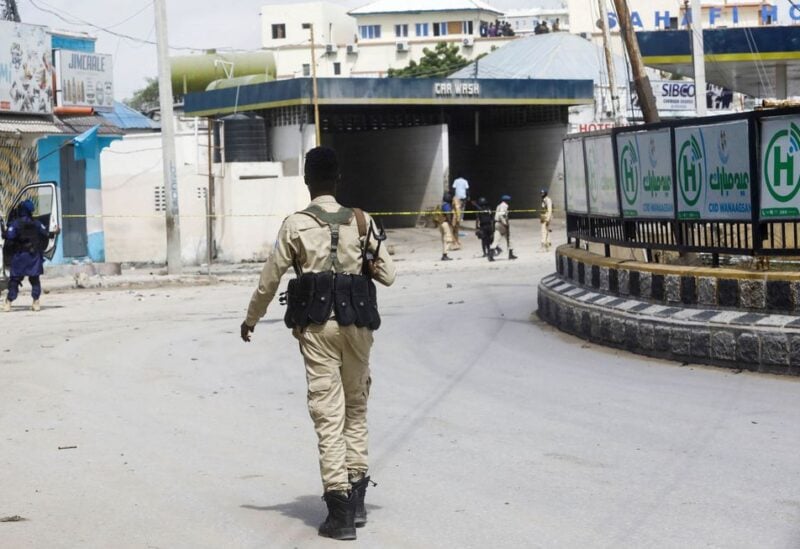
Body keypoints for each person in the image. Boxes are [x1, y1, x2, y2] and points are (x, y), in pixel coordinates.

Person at [240, 147, 396, 541]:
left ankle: (339, 510)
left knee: (329, 415)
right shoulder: (363, 221)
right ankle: (357, 498)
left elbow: (270, 278)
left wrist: (251, 318)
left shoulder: (295, 225)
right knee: (356, 409)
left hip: (317, 330)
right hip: (359, 327)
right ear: (338, 178)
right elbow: (389, 275)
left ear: (308, 181)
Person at [2, 200, 54, 312]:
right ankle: (36, 302)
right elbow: (47, 233)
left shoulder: (16, 223)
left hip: (20, 256)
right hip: (34, 256)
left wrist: (4, 232)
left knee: (14, 280)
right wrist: (54, 232)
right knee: (35, 280)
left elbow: (9, 236)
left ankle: (9, 302)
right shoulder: (37, 223)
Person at [491, 195, 517, 260]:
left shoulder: (499, 205)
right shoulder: (504, 206)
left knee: (496, 240)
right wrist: (505, 224)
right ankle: (510, 254)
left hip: (497, 223)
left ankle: (490, 255)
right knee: (509, 239)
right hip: (501, 224)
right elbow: (501, 215)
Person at [435, 192, 457, 261]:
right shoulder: (447, 205)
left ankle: (444, 254)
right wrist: (451, 223)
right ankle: (445, 255)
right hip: (445, 223)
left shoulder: (442, 205)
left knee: (444, 239)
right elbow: (448, 215)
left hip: (440, 224)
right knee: (448, 239)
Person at [475, 197, 495, 262]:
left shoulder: (479, 210)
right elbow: (492, 219)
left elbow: (477, 219)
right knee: (489, 239)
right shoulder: (489, 209)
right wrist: (493, 227)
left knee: (484, 240)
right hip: (489, 225)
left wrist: (476, 227)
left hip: (483, 226)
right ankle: (489, 251)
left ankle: (485, 253)